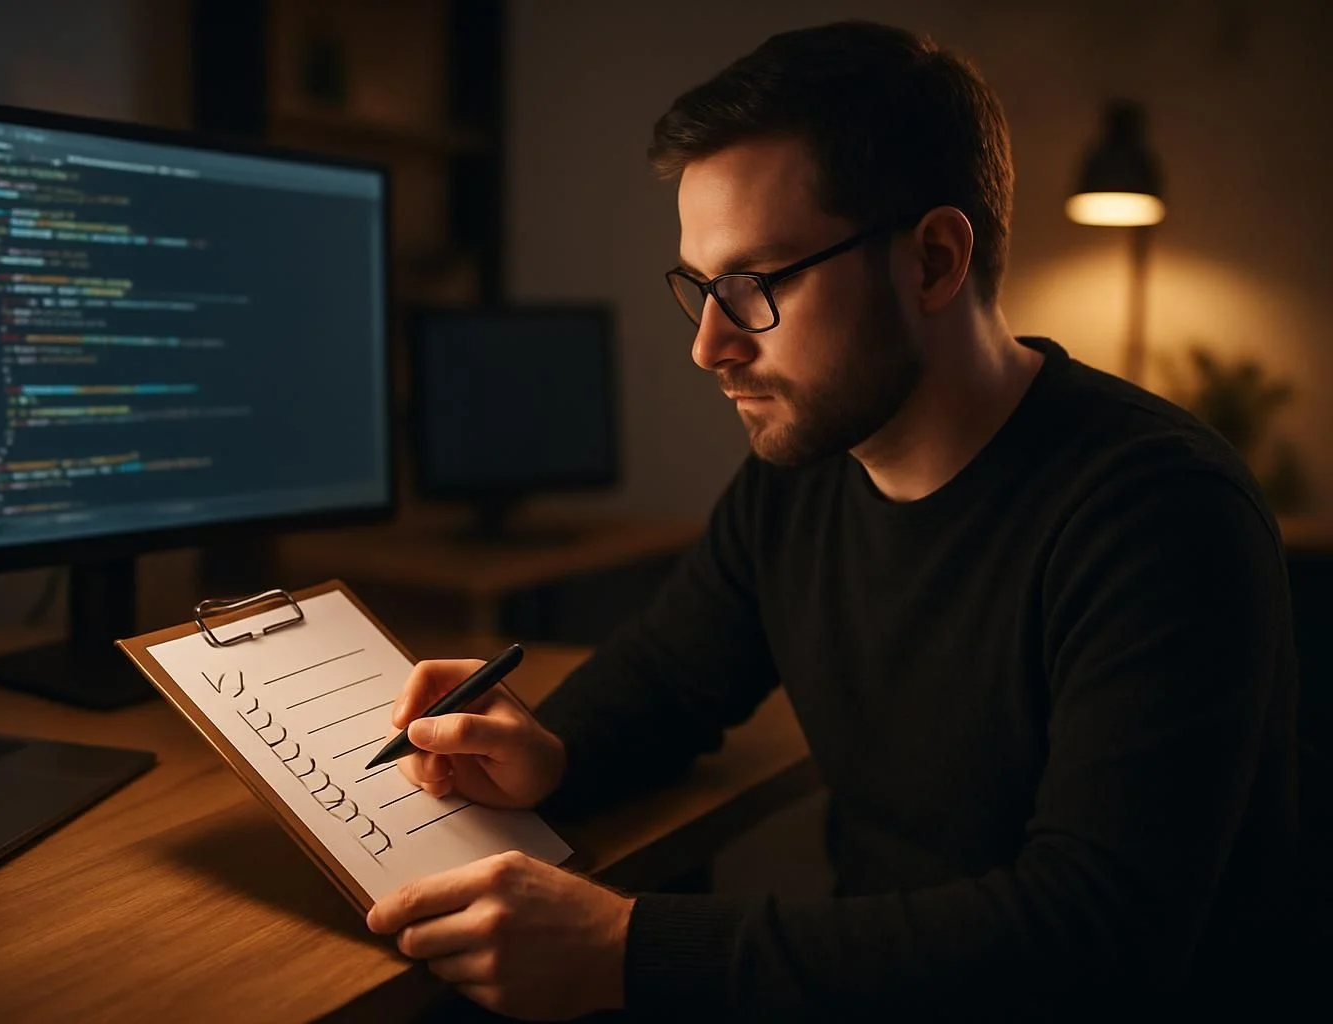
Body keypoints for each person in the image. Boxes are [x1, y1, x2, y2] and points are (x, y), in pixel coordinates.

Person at [362, 20, 1300, 1021]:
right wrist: (551, 746)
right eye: (699, 287)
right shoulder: (802, 475)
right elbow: (670, 679)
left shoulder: (1159, 514)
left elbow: (1095, 936)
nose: (710, 346)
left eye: (755, 286)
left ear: (935, 260)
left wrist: (629, 950)